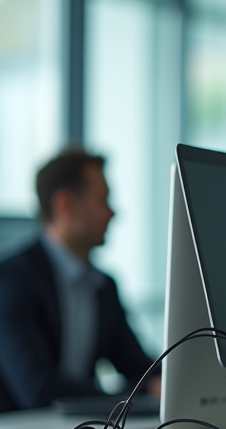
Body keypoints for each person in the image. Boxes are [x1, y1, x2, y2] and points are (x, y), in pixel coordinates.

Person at [0, 148, 158, 412]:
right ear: (65, 205)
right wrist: (131, 394)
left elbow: (141, 368)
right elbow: (37, 388)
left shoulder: (103, 286)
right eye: (103, 201)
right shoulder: (11, 280)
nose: (112, 213)